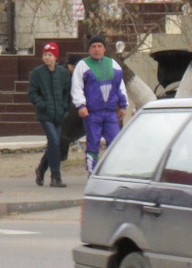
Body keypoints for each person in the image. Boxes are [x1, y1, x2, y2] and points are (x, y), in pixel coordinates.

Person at [71, 36, 129, 174]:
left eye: (99, 46)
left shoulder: (113, 64)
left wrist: (123, 105)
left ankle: (111, 173)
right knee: (93, 144)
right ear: (89, 49)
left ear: (104, 48)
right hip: (92, 113)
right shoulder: (83, 65)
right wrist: (81, 105)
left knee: (114, 143)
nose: (97, 49)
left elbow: (120, 86)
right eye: (93, 47)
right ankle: (92, 174)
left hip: (110, 113)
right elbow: (77, 87)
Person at [28, 41, 71, 187]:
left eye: (50, 55)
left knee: (55, 144)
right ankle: (55, 177)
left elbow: (67, 91)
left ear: (55, 57)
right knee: (54, 141)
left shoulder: (63, 73)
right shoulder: (37, 73)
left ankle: (40, 170)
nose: (47, 57)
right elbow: (32, 93)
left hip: (59, 114)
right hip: (45, 115)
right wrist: (42, 105)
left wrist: (65, 107)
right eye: (45, 54)